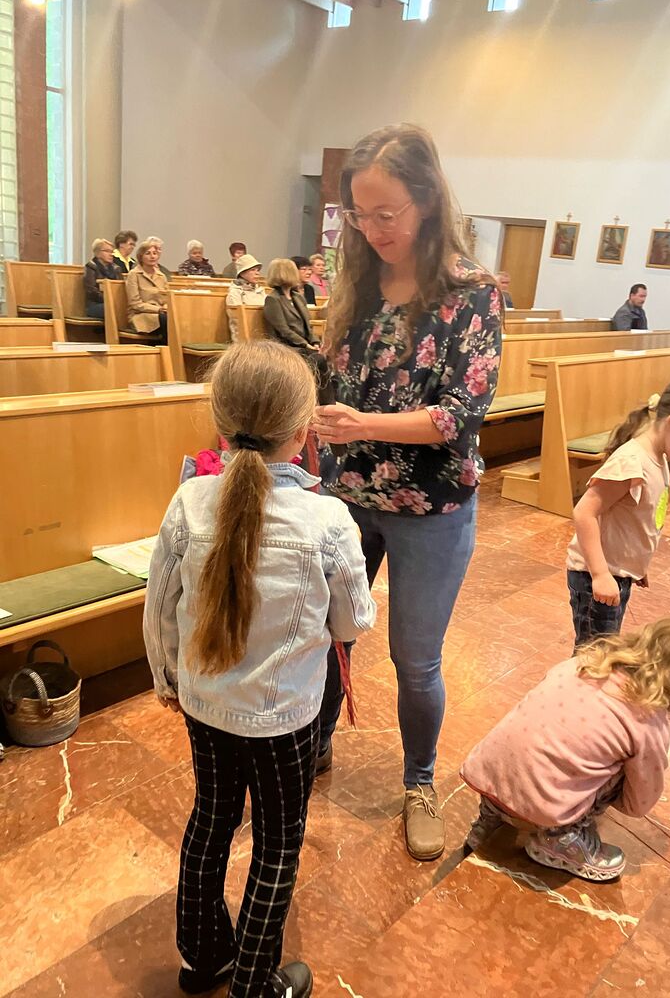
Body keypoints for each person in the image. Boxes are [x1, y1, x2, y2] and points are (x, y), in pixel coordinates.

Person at [143, 341, 375, 998]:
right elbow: (354, 622)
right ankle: (253, 983)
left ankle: (202, 959)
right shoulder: (327, 518)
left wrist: (167, 679)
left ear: (219, 423)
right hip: (285, 718)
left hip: (205, 704)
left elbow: (159, 606)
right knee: (277, 841)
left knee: (210, 820)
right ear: (303, 433)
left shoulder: (189, 501)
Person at [312, 123, 502, 862]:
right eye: (360, 215)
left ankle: (419, 781)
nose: (372, 229)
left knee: (415, 660)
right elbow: (329, 380)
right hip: (346, 498)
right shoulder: (358, 283)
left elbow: (459, 415)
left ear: (426, 199)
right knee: (329, 633)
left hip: (431, 508)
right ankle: (314, 744)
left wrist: (362, 422)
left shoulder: (471, 293)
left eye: (386, 213)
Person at [461, 618, 670, 881]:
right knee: (626, 768)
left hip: (488, 772)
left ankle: (489, 819)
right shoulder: (648, 720)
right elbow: (638, 804)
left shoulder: (580, 663)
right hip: (545, 806)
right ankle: (559, 839)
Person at [566, 376, 670, 649]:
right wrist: (600, 574)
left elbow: (639, 517)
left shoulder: (658, 458)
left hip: (618, 572)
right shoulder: (632, 462)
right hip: (594, 575)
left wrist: (635, 562)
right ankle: (576, 680)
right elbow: (584, 512)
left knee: (604, 649)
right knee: (594, 655)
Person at [125, 241, 169, 344]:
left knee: (176, 318)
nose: (152, 256)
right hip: (140, 315)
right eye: (148, 253)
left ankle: (169, 349)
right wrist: (158, 309)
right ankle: (165, 349)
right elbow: (135, 303)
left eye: (154, 253)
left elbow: (167, 299)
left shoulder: (162, 276)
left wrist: (166, 307)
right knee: (165, 319)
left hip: (161, 314)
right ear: (141, 256)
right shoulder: (134, 274)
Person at [226, 254, 265, 341]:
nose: (257, 273)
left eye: (258, 270)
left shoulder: (261, 291)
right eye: (253, 270)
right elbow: (237, 321)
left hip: (262, 337)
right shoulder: (235, 292)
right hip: (243, 340)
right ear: (242, 273)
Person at [83, 238, 121, 319]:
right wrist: (108, 298)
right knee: (113, 308)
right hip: (95, 304)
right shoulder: (91, 267)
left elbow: (120, 288)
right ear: (97, 253)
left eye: (112, 252)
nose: (111, 254)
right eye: (107, 251)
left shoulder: (116, 268)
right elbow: (91, 291)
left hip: (113, 302)